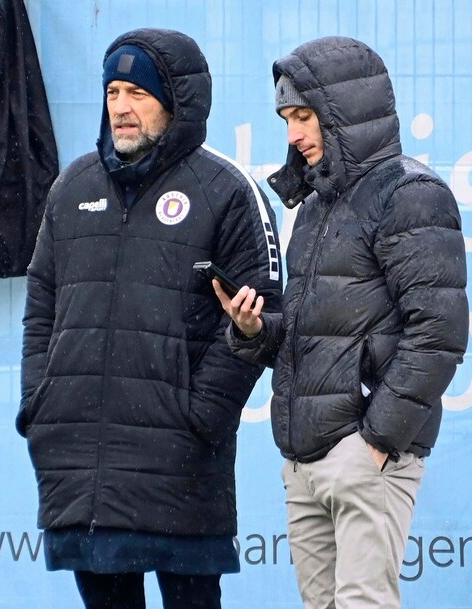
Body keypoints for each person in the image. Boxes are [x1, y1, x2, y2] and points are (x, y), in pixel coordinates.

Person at [16, 28, 283, 609]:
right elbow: (42, 305)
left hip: (179, 468)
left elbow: (266, 320)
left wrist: (200, 416)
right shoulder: (72, 187)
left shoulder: (228, 192)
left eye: (138, 92)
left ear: (176, 101)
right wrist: (40, 401)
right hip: (82, 469)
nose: (121, 107)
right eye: (112, 91)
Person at [214, 37, 469, 609]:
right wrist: (255, 329)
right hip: (305, 458)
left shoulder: (411, 194)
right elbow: (316, 332)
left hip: (364, 455)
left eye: (303, 116)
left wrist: (374, 442)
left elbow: (439, 334)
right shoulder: (316, 204)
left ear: (343, 113)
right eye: (286, 119)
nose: (293, 134)